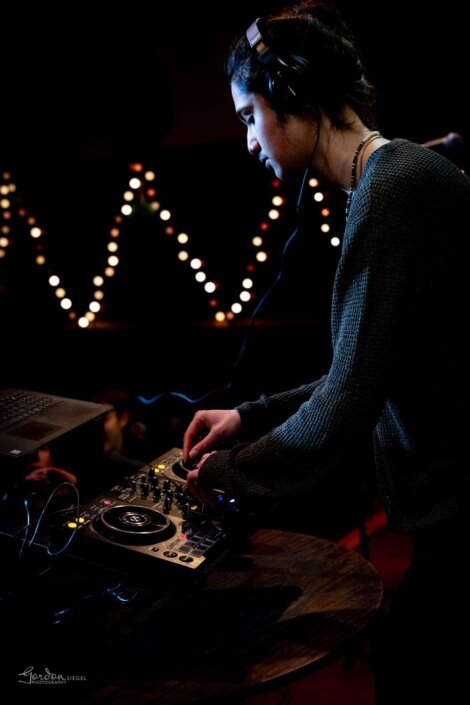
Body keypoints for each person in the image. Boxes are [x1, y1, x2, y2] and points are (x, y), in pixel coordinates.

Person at [182, 2, 469, 703]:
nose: (249, 140)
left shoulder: (395, 188)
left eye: (249, 115)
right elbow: (361, 370)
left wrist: (227, 473)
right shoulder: (392, 181)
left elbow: (347, 403)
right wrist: (245, 417)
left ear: (293, 94)